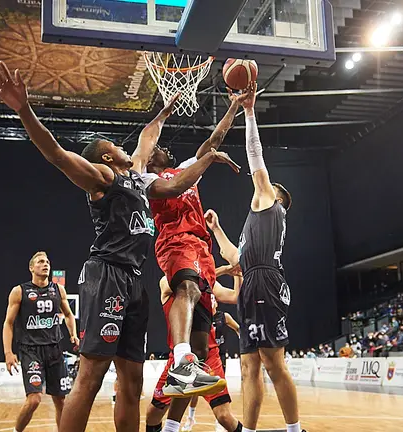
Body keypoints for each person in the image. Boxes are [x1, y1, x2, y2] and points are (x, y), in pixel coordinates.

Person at [0, 60, 237, 432]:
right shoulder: (103, 177)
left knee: (131, 383)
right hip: (107, 274)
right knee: (91, 374)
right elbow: (57, 154)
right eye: (115, 146)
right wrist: (24, 111)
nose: (125, 147)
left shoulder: (139, 176)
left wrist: (166, 111)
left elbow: (152, 147)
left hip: (135, 280)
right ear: (106, 157)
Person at [140, 89, 249, 398]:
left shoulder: (184, 167)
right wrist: (208, 160)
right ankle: (180, 362)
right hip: (175, 242)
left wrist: (232, 108)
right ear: (148, 160)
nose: (162, 148)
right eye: (157, 148)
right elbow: (179, 185)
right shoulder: (149, 181)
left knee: (202, 341)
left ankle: (186, 369)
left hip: (201, 249)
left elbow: (211, 144)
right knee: (186, 289)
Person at [234, 83, 301, 432]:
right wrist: (214, 232)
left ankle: (294, 429)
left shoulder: (268, 203)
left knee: (272, 363)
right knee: (248, 366)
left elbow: (254, 154)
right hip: (252, 280)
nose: (264, 183)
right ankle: (248, 429)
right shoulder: (256, 221)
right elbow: (238, 259)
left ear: (277, 199)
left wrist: (248, 111)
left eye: (271, 185)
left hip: (265, 281)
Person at [146, 267, 243, 432]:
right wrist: (221, 270)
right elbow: (186, 280)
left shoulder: (209, 282)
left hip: (209, 355)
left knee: (224, 416)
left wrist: (237, 274)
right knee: (153, 414)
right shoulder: (167, 281)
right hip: (179, 357)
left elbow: (234, 296)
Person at [2, 251, 79, 432]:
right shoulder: (20, 291)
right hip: (31, 351)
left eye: (47, 262)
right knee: (34, 399)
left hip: (54, 350)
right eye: (40, 262)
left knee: (61, 400)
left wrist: (73, 334)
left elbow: (68, 315)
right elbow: (8, 323)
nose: (45, 264)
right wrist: (8, 352)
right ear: (31, 268)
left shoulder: (58, 290)